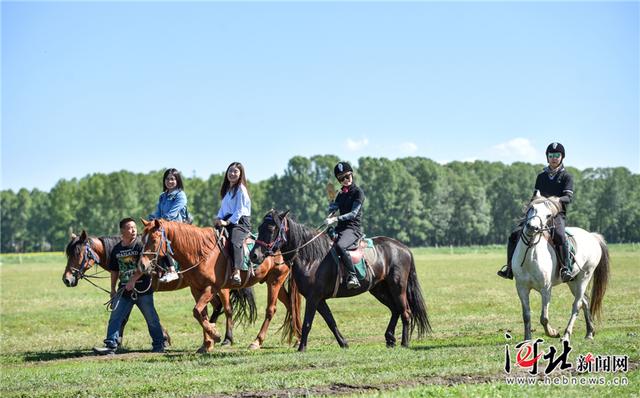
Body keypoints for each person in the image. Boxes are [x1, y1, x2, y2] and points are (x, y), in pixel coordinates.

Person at [497, 142, 575, 282]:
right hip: (538, 213)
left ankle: (565, 268)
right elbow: (535, 196)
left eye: (557, 155)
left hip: (556, 214)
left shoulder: (566, 177)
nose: (554, 158)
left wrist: (551, 201)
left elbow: (568, 197)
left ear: (562, 157)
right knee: (514, 235)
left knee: (560, 235)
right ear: (547, 157)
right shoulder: (541, 176)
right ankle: (509, 268)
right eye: (551, 155)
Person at [93, 218, 165, 355]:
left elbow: (145, 265)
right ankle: (110, 346)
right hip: (124, 290)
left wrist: (133, 280)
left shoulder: (140, 246)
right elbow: (114, 270)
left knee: (151, 318)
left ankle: (159, 345)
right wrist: (113, 289)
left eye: (134, 227)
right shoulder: (117, 249)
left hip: (143, 289)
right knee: (115, 316)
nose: (133, 230)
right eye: (130, 228)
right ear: (122, 231)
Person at [325, 161, 365, 289]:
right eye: (341, 179)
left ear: (352, 175)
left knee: (340, 246)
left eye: (347, 176)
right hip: (340, 228)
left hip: (352, 229)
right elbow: (333, 210)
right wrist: (331, 204)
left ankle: (352, 276)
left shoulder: (358, 192)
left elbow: (353, 214)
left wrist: (335, 218)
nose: (345, 180)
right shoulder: (341, 194)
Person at [148, 168, 189, 283]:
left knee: (162, 240)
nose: (169, 181)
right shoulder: (163, 196)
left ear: (177, 181)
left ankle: (172, 270)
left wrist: (160, 221)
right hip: (163, 224)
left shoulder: (181, 195)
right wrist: (151, 219)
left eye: (172, 179)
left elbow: (172, 214)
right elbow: (158, 212)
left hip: (176, 226)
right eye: (167, 179)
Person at [214, 162, 251, 286]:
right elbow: (223, 208)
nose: (232, 174)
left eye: (235, 171)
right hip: (226, 219)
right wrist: (218, 218)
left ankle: (236, 272)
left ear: (240, 174)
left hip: (240, 222)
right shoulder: (227, 189)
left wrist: (227, 222)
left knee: (235, 241)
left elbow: (240, 210)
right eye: (230, 171)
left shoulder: (241, 188)